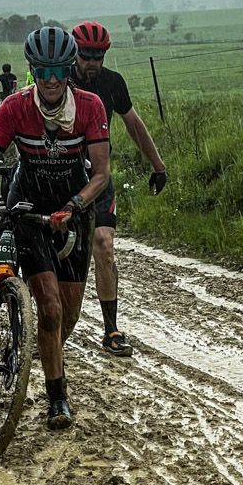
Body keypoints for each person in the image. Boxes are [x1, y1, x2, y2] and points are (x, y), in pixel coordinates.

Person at [0, 27, 110, 430]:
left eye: (59, 69)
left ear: (69, 70)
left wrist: (73, 206)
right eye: (43, 70)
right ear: (33, 70)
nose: (51, 79)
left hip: (73, 211)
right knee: (48, 307)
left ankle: (38, 350)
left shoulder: (90, 107)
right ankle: (57, 399)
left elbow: (100, 174)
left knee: (66, 316)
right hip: (28, 209)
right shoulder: (13, 108)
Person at [69, 21, 168, 357]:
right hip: (61, 176)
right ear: (75, 53)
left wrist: (158, 166)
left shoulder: (112, 83)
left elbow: (134, 125)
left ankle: (111, 329)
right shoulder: (59, 81)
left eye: (98, 56)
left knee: (104, 245)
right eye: (86, 55)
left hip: (99, 176)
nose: (92, 62)